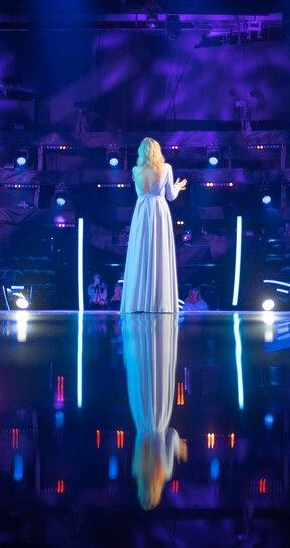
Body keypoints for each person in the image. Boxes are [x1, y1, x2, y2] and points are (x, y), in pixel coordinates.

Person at [122, 313, 188, 510]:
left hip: (159, 419)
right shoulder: (136, 470)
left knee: (158, 377)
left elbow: (172, 434)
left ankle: (159, 341)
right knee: (143, 378)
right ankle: (144, 341)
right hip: (141, 419)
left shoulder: (164, 473)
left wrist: (179, 449)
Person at [120, 138, 187, 313]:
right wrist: (177, 187)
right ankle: (159, 301)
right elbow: (171, 196)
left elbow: (139, 193)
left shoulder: (135, 170)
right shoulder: (166, 168)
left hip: (142, 210)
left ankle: (138, 302)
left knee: (140, 251)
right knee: (159, 251)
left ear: (141, 152)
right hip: (158, 210)